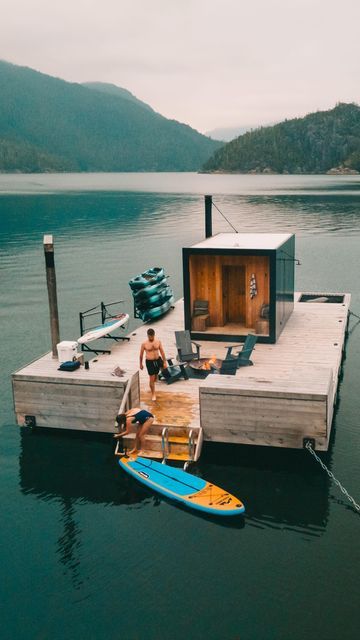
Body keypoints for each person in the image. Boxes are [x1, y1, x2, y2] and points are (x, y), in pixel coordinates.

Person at [139, 328, 167, 401]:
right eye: (149, 337)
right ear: (147, 335)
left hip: (158, 359)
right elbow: (141, 355)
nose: (151, 338)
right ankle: (153, 394)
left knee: (164, 369)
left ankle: (156, 375)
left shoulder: (158, 341)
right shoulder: (144, 344)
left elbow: (162, 352)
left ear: (154, 335)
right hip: (149, 362)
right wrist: (140, 364)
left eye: (152, 336)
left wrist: (165, 362)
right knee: (151, 378)